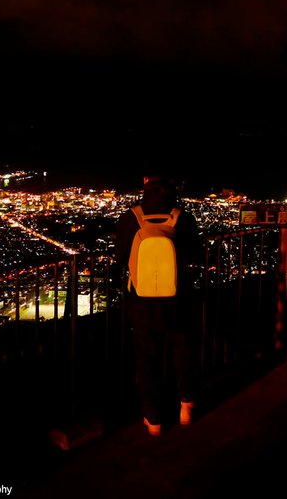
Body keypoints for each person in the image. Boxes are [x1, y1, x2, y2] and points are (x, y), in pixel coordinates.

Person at [114, 173, 204, 437]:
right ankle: (186, 406)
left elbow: (121, 256)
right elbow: (194, 254)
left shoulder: (131, 217)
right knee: (182, 350)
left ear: (145, 186)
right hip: (178, 299)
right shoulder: (182, 217)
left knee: (146, 359)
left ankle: (154, 420)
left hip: (141, 302)